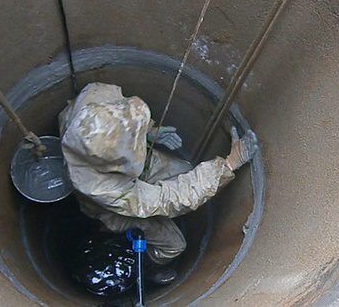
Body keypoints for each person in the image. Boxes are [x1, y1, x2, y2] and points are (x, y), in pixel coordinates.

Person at [59, 82, 258, 285]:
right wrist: (230, 163)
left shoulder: (92, 98)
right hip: (115, 208)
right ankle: (148, 268)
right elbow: (168, 199)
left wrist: (148, 131)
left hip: (127, 170)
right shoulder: (101, 187)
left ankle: (198, 182)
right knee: (174, 245)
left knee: (184, 169)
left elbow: (121, 120)